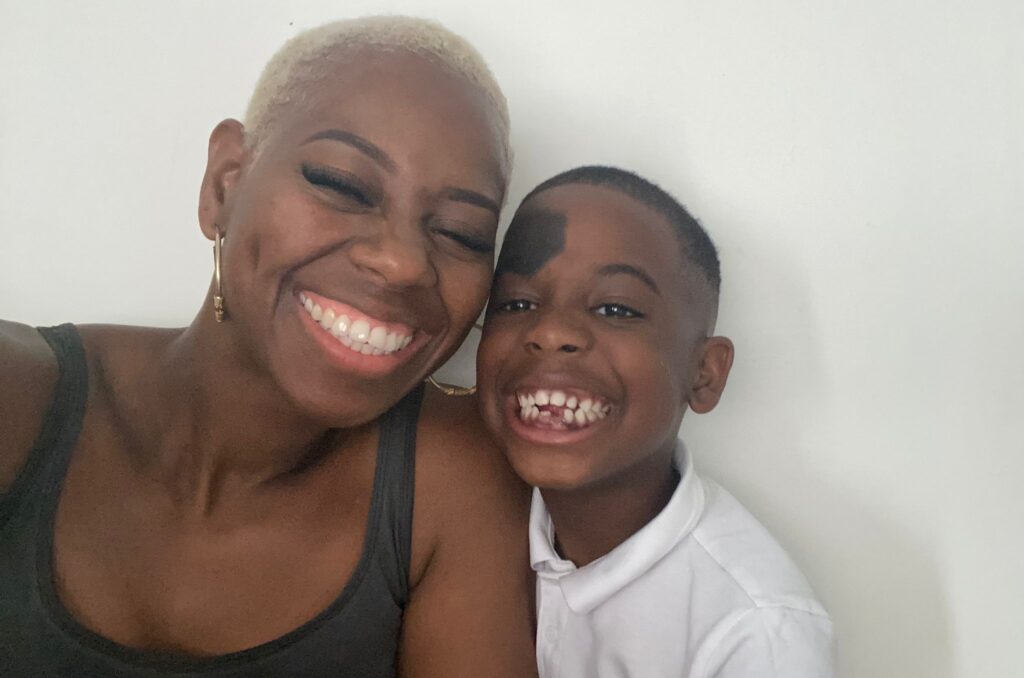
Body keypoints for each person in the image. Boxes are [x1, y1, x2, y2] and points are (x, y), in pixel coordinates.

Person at [0, 16, 536, 677]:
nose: (402, 263)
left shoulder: (455, 480)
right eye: (342, 184)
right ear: (225, 183)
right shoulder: (18, 399)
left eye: (461, 232)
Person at [476, 165, 836, 677]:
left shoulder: (757, 634)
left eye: (616, 309)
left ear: (704, 374)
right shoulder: (466, 497)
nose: (550, 331)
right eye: (515, 303)